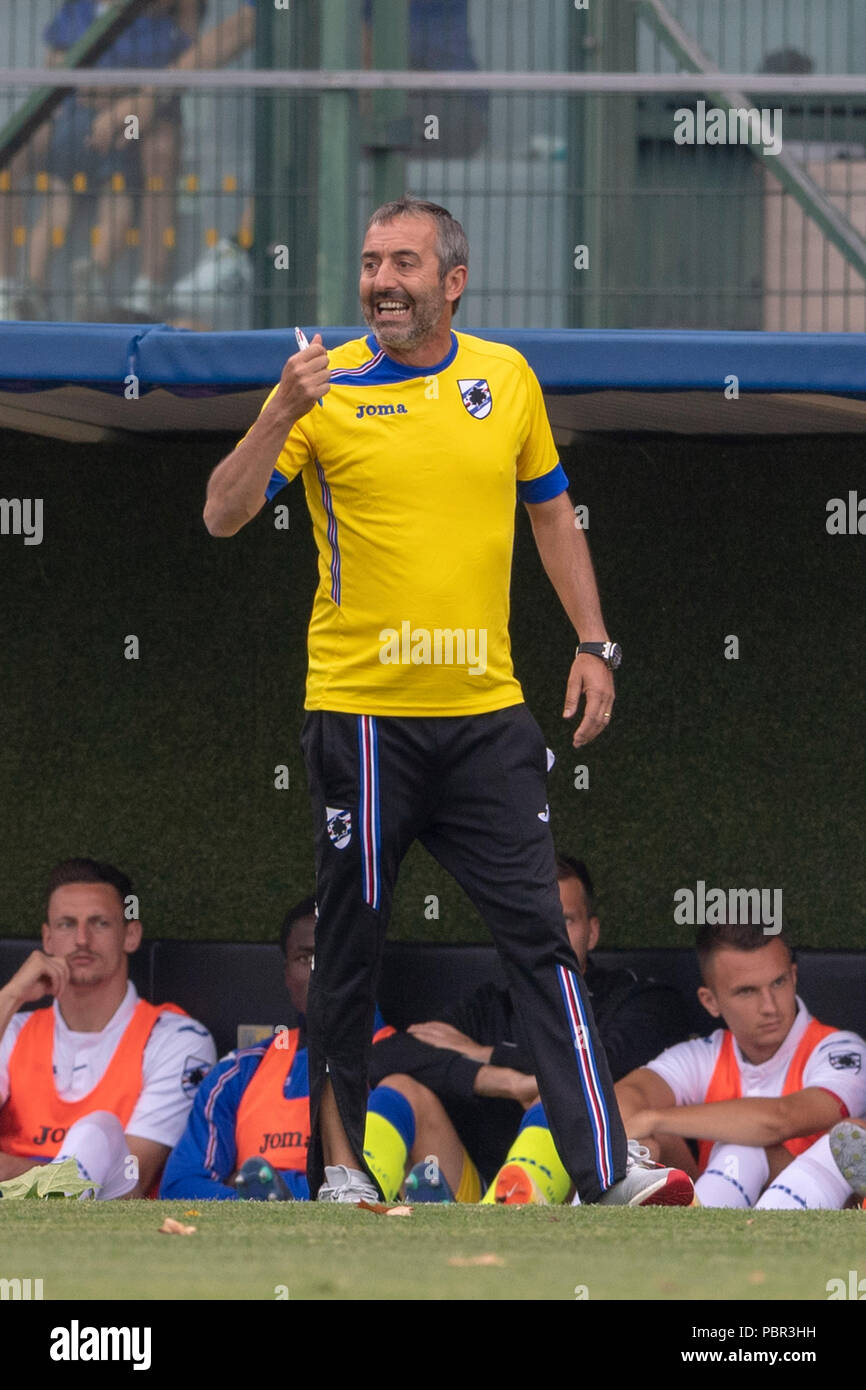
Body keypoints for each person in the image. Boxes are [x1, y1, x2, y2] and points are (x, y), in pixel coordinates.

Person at [203, 193, 684, 1210]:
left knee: (542, 943)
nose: (381, 279)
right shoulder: (320, 385)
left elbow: (551, 516)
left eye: (403, 263)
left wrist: (593, 643)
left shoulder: (503, 377)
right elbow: (222, 513)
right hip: (363, 719)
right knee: (349, 947)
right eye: (371, 261)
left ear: (451, 282)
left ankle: (604, 1170)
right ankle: (338, 1173)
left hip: (487, 720)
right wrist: (281, 408)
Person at [369, 853, 692, 1194]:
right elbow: (383, 1058)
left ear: (591, 932)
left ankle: (507, 1213)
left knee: (562, 1097)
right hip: (474, 1192)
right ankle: (355, 1209)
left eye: (565, 920)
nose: (549, 936)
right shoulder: (492, 1004)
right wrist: (499, 1080)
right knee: (401, 1087)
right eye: (534, 921)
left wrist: (488, 1053)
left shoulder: (637, 998)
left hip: (581, 1196)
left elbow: (596, 1066)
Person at [160, 895, 481, 1203]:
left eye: (334, 956)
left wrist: (279, 1195)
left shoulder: (409, 1056)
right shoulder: (239, 1071)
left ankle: (341, 1195)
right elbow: (179, 1186)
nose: (320, 971)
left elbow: (437, 1179)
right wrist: (262, 1204)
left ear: (365, 967)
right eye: (305, 958)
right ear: (286, 974)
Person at [0, 857, 216, 1198]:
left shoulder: (176, 1039)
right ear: (48, 938)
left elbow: (128, 1180)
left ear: (130, 935)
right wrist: (10, 996)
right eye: (67, 925)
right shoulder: (12, 1030)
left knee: (96, 1130)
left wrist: (12, 1169)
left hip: (108, 1239)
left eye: (99, 923)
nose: (82, 939)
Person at [614, 921, 866, 1209]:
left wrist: (655, 1117)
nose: (769, 1006)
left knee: (844, 1134)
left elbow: (781, 1119)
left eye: (778, 982)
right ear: (710, 1002)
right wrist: (650, 1128)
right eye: (747, 991)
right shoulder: (703, 1054)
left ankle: (707, 1229)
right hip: (723, 1194)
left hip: (823, 1214)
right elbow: (623, 1104)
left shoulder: (840, 1049)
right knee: (648, 1141)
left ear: (794, 976)